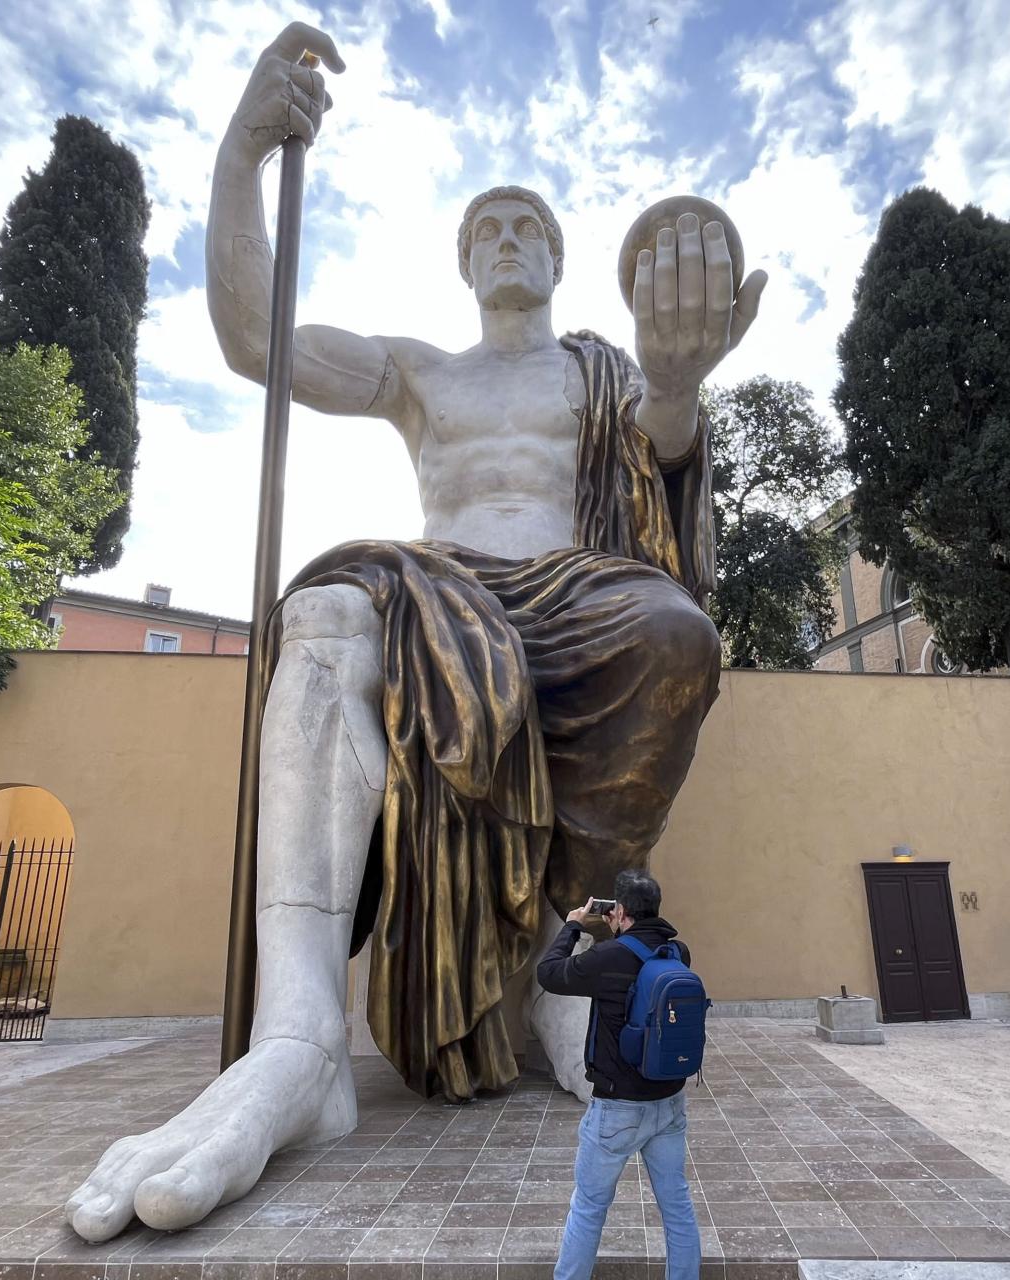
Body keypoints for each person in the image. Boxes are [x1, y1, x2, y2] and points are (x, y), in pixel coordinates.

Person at [65, 16, 766, 1243]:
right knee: (325, 607)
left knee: (673, 633)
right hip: (436, 587)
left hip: (573, 588)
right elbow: (253, 341)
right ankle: (295, 1044)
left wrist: (673, 382)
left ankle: (573, 956)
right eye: (483, 229)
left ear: (554, 257)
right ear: (463, 262)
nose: (504, 240)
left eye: (525, 228)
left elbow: (658, 461)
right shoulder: (420, 372)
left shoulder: (597, 373)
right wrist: (242, 151)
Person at [537, 870, 701, 1280]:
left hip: (617, 1108)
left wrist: (574, 924)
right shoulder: (678, 953)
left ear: (620, 911)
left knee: (590, 1207)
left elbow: (549, 973)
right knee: (676, 1206)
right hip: (668, 1103)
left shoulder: (609, 958)